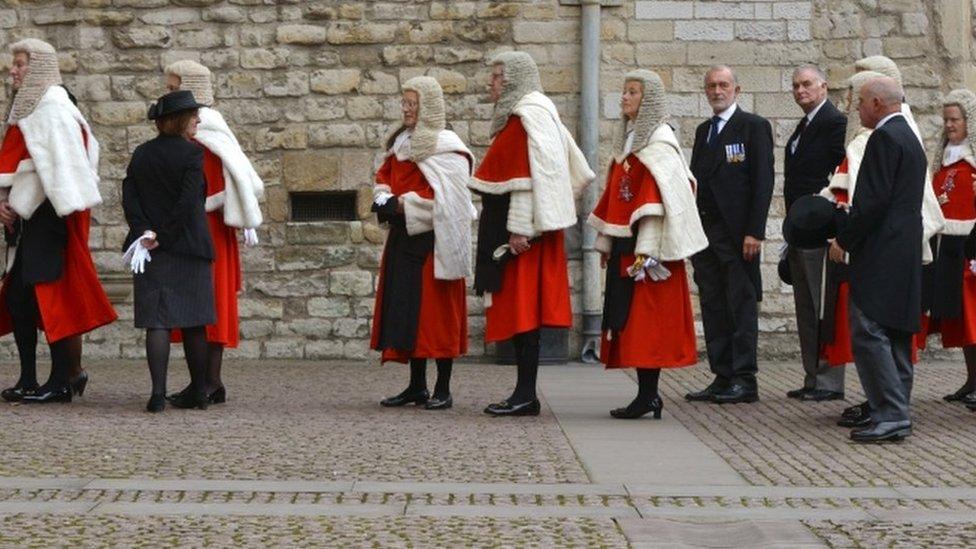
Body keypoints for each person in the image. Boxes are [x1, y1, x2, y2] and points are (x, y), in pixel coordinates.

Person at [469, 51, 594, 416]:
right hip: (526, 234)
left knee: (526, 315)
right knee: (525, 316)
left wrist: (522, 230)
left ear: (511, 80)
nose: (491, 83)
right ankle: (525, 393)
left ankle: (525, 395)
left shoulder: (527, 117)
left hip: (523, 239)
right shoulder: (536, 114)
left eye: (496, 77)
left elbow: (528, 181)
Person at [0, 38, 116, 403]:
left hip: (50, 221)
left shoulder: (54, 109)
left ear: (37, 67)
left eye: (20, 63)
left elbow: (59, 171)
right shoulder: (28, 108)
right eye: (13, 63)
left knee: (52, 299)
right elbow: (17, 165)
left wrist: (16, 202)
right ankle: (30, 378)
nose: (12, 70)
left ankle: (61, 380)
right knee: (19, 298)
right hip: (27, 223)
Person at [588, 70, 707, 419]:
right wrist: (607, 240)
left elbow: (657, 200)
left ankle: (649, 396)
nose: (624, 98)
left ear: (649, 99)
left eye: (633, 92)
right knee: (630, 324)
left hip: (648, 255)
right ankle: (646, 396)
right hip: (629, 247)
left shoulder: (659, 144)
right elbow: (617, 196)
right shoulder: (629, 140)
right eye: (624, 91)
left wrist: (647, 253)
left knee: (646, 328)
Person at [828, 77, 927, 443]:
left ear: (876, 103)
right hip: (903, 248)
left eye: (861, 102)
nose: (857, 109)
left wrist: (844, 239)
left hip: (882, 250)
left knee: (869, 329)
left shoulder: (884, 138)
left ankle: (891, 413)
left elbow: (872, 201)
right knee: (896, 332)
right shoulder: (909, 135)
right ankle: (895, 410)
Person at [162, 60, 264, 406]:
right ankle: (206, 380)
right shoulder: (201, 129)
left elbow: (209, 187)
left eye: (175, 88)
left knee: (209, 302)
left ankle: (208, 381)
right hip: (202, 225)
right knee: (203, 301)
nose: (169, 93)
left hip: (205, 227)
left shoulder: (206, 131)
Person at [370, 76, 476, 411]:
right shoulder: (401, 143)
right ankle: (416, 386)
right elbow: (384, 175)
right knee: (409, 313)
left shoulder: (448, 148)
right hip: (404, 240)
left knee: (437, 316)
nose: (406, 109)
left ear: (427, 106)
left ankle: (442, 388)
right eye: (404, 103)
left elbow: (449, 200)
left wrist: (404, 204)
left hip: (436, 243)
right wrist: (384, 196)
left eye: (412, 103)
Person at [685, 65, 774, 404]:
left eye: (723, 85)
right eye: (711, 86)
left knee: (740, 304)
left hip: (738, 236)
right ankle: (722, 375)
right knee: (713, 304)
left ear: (737, 90)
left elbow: (762, 183)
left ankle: (744, 378)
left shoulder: (753, 127)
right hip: (706, 234)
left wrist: (755, 231)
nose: (717, 91)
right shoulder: (704, 131)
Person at [122, 90, 215, 413]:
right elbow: (190, 201)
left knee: (157, 322)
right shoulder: (192, 155)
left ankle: (158, 394)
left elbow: (129, 198)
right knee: (194, 321)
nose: (199, 120)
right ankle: (199, 393)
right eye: (194, 116)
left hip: (149, 249)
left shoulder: (142, 154)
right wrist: (165, 234)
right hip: (187, 246)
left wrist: (145, 232)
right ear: (179, 121)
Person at [782, 65, 847, 402]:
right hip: (799, 231)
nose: (800, 90)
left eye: (806, 84)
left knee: (824, 309)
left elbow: (840, 178)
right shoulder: (802, 128)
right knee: (806, 309)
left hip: (822, 231)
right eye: (795, 86)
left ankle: (829, 381)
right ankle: (813, 376)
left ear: (824, 85)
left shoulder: (835, 123)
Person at [916, 89, 976, 405]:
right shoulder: (944, 160)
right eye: (947, 120)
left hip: (970, 248)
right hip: (947, 246)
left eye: (955, 120)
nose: (949, 125)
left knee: (974, 319)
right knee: (962, 323)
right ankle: (971, 379)